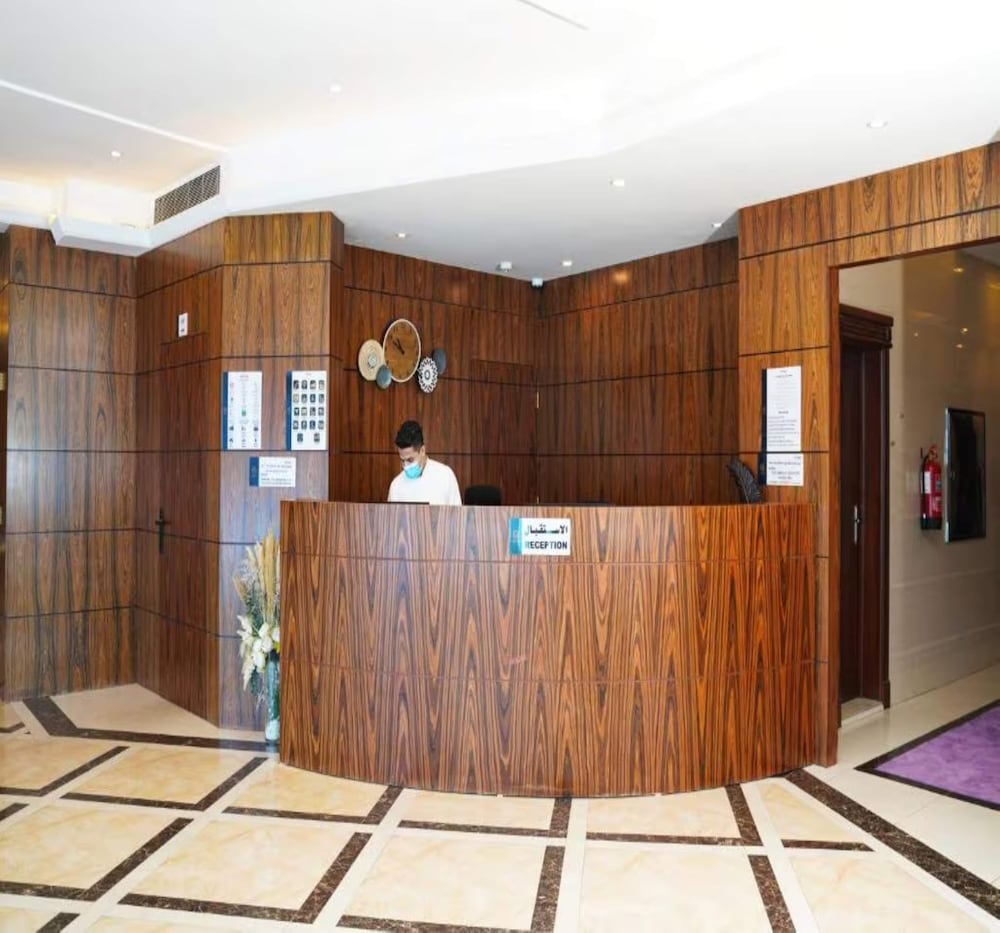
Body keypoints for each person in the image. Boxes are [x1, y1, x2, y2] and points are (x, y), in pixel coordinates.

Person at [387, 420, 462, 505]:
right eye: (402, 460)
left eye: (410, 460)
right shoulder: (396, 485)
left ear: (422, 450)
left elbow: (456, 512)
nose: (406, 466)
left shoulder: (445, 476)